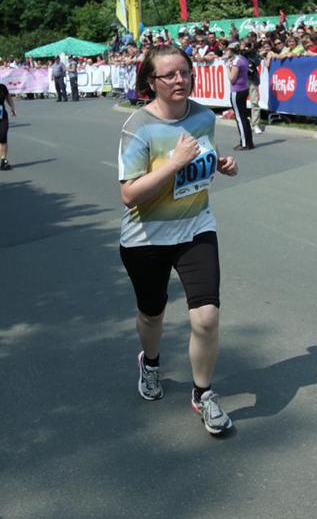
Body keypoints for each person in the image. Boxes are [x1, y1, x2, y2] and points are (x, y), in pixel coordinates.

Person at [117, 44, 238, 436]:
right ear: (151, 82)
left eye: (184, 72)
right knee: (152, 314)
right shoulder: (138, 127)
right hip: (146, 237)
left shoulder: (203, 116)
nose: (179, 80)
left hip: (195, 227)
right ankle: (150, 363)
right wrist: (175, 163)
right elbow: (130, 195)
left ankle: (203, 394)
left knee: (207, 317)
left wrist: (220, 164)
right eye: (168, 75)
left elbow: (202, 162)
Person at [225, 42, 253, 151]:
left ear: (232, 50)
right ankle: (249, 142)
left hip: (237, 91)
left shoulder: (236, 61)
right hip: (244, 89)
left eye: (228, 50)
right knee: (243, 116)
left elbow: (232, 79)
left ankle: (244, 143)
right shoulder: (243, 59)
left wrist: (228, 68)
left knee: (239, 117)